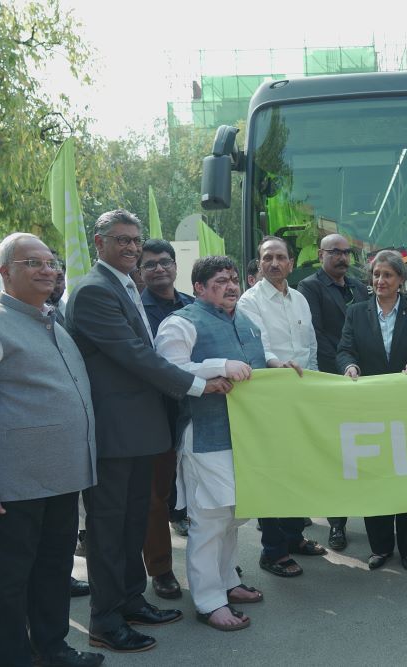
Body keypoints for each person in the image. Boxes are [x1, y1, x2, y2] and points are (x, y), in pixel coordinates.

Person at [66, 209, 231, 653]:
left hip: (140, 430)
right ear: (98, 242)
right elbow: (135, 355)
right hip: (115, 432)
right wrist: (197, 384)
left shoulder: (124, 284)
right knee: (108, 529)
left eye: (135, 240)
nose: (131, 247)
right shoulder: (93, 290)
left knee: (133, 522)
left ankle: (131, 600)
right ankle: (105, 619)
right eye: (121, 239)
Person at [0, 233, 102, 667]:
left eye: (50, 262)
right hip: (6, 490)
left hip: (60, 481)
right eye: (32, 262)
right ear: (5, 272)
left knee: (52, 574)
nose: (47, 270)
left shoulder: (52, 324)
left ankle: (51, 649)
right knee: (6, 587)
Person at [155, 256, 272, 631]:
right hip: (205, 435)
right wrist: (218, 366)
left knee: (234, 514)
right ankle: (208, 600)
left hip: (246, 436)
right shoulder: (181, 322)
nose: (232, 286)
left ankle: (228, 581)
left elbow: (256, 359)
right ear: (199, 288)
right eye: (221, 281)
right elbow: (167, 368)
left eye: (234, 279)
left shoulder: (246, 320)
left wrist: (277, 364)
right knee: (210, 518)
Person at [337, 250, 407, 570]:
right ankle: (380, 547)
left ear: (401, 280)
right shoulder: (356, 312)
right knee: (375, 477)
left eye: (387, 275)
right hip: (369, 410)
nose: (380, 281)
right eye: (376, 275)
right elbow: (344, 350)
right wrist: (350, 366)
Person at [238, 236, 329, 576]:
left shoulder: (300, 299)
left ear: (291, 263)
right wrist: (277, 366)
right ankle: (272, 551)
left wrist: (314, 385)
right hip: (269, 398)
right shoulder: (249, 301)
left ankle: (294, 537)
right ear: (259, 263)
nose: (274, 263)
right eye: (267, 257)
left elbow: (311, 347)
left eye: (280, 257)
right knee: (272, 474)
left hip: (301, 397)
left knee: (297, 469)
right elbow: (258, 347)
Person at [297, 233, 368, 551]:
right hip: (331, 378)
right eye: (334, 252)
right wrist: (343, 363)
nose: (342, 257)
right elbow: (316, 334)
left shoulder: (359, 287)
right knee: (336, 455)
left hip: (361, 380)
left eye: (346, 252)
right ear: (320, 255)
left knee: (362, 450)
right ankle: (337, 524)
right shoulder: (309, 287)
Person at [136, 239, 195, 600]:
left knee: (201, 490)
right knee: (156, 498)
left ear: (175, 266)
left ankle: (212, 563)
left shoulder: (193, 305)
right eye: (150, 264)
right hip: (155, 414)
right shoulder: (135, 310)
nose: (158, 268)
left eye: (164, 262)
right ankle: (160, 569)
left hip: (196, 412)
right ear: (140, 272)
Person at [46, 248, 90, 599]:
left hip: (72, 433)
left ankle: (62, 576)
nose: (55, 277)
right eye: (43, 268)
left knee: (63, 520)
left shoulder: (64, 313)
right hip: (39, 440)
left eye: (58, 270)